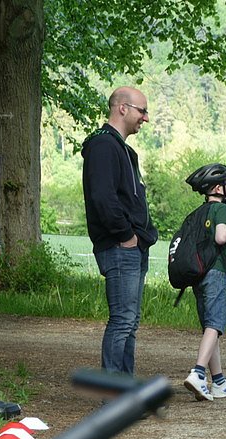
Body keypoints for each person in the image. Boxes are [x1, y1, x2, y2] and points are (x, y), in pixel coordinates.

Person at [82, 86, 158, 375]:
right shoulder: (103, 146)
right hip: (119, 246)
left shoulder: (124, 150)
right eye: (142, 110)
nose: (146, 118)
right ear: (122, 108)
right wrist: (126, 236)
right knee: (122, 320)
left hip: (133, 246)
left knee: (130, 322)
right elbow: (103, 197)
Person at [182, 163, 226, 402]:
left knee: (209, 327)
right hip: (216, 272)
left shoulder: (198, 212)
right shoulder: (222, 210)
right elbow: (221, 237)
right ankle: (198, 373)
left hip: (198, 275)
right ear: (217, 188)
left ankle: (219, 381)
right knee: (216, 324)